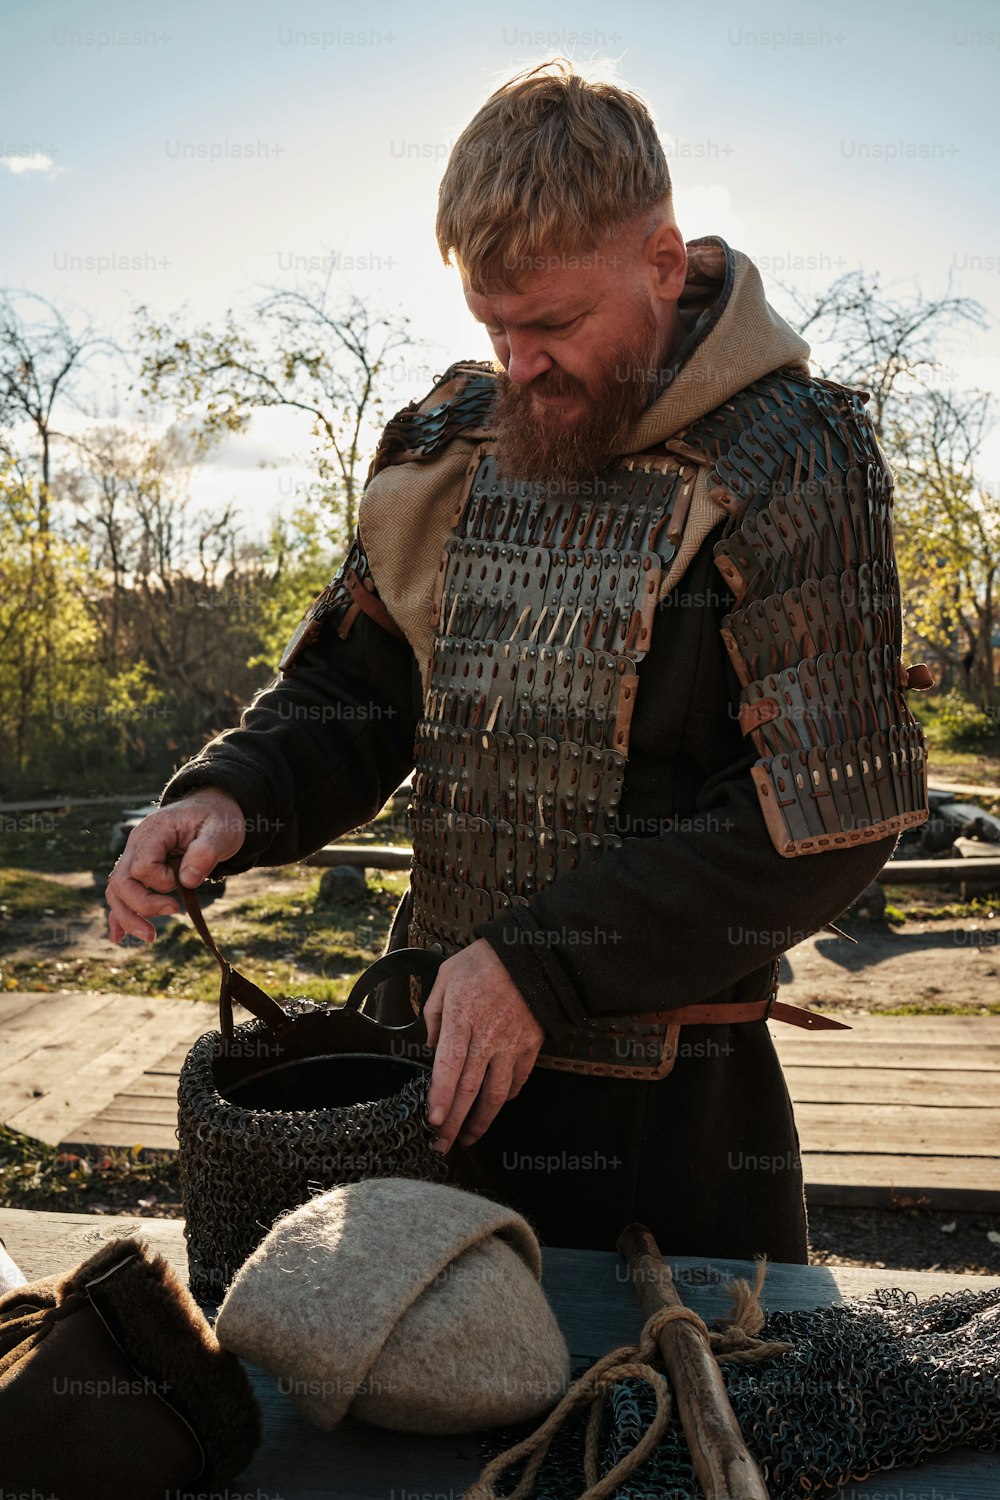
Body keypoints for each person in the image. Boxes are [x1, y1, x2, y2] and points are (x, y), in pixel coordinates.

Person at [106, 60, 929, 1263]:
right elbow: (356, 692)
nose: (520, 364)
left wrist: (540, 969)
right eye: (494, 327)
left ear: (660, 261)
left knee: (675, 1428)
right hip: (435, 1084)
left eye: (551, 325)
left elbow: (825, 815)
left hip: (674, 1130)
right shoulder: (452, 438)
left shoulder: (797, 457)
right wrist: (235, 792)